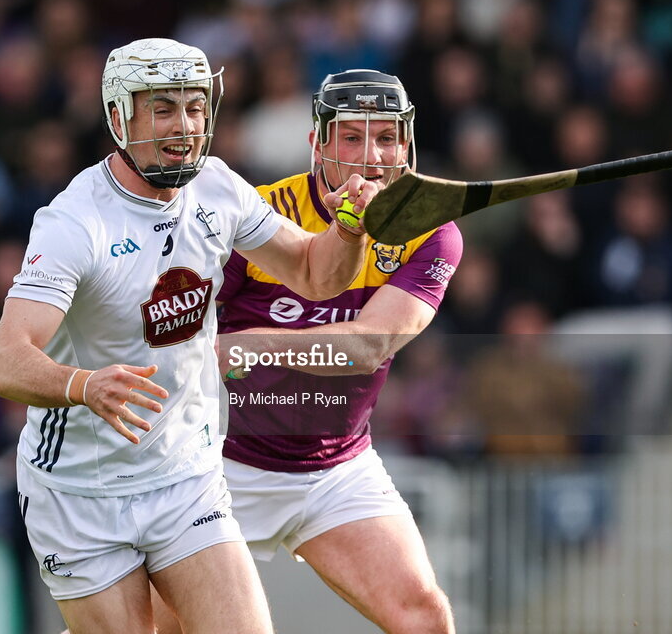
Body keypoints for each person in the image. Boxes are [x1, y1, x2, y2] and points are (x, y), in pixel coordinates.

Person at [0, 39, 382, 634]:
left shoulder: (217, 189)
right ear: (120, 117)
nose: (186, 125)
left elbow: (312, 272)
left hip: (185, 478)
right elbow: (5, 362)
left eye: (196, 107)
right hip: (79, 492)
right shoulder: (74, 221)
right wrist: (83, 384)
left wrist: (349, 233)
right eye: (163, 108)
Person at [159, 69, 462, 634]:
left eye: (386, 137)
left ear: (406, 145)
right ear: (317, 143)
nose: (371, 155)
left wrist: (258, 346)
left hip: (337, 470)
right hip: (219, 468)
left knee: (424, 615)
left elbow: (369, 346)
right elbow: (175, 330)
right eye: (351, 136)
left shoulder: (430, 231)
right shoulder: (258, 216)